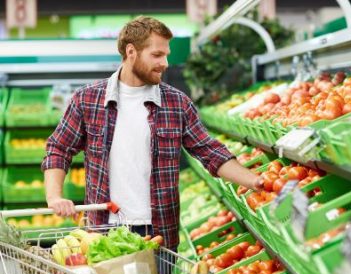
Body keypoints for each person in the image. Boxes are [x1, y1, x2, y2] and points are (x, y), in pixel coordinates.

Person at [41, 16, 263, 254]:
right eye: (157, 55)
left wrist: (256, 181)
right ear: (131, 51)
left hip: (159, 234)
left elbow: (210, 152)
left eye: (166, 55)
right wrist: (54, 196)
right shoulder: (88, 99)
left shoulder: (176, 103)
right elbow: (59, 147)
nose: (165, 63)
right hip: (105, 232)